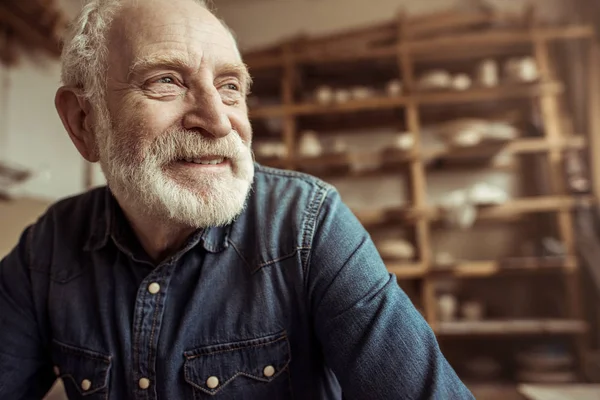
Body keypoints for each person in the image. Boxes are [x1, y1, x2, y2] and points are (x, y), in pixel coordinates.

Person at [0, 0, 475, 398]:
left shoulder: (309, 225)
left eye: (230, 88)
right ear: (84, 122)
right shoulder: (49, 247)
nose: (218, 120)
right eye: (166, 80)